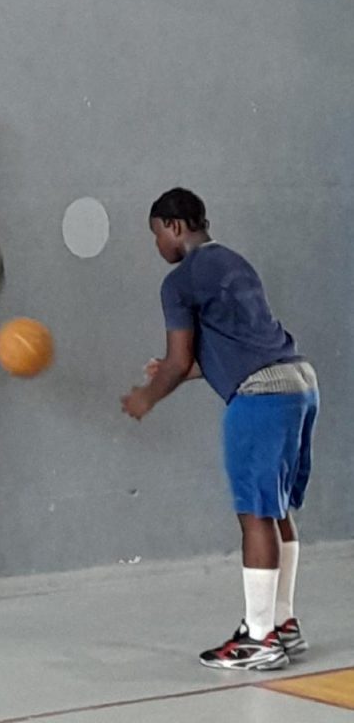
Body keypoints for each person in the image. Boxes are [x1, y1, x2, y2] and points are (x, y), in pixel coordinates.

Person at [122, 187, 319, 673]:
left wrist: (147, 395)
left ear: (173, 226)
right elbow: (235, 346)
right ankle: (283, 623)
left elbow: (179, 360)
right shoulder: (234, 262)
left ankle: (259, 639)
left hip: (261, 396)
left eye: (156, 234)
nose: (157, 245)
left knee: (255, 514)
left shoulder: (180, 281)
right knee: (276, 508)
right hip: (299, 381)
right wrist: (179, 370)